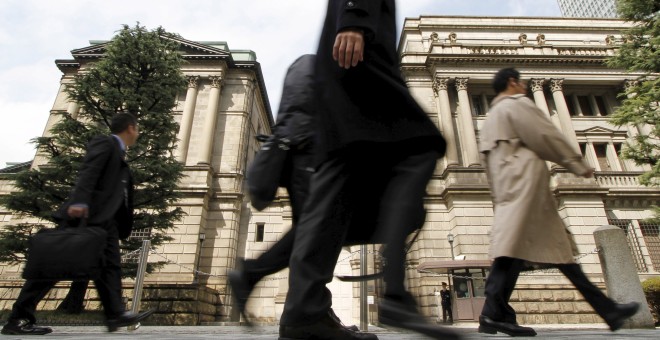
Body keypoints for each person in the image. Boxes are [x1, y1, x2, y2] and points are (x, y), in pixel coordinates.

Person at [277, 1, 461, 339]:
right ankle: (394, 296)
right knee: (422, 144)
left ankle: (304, 313)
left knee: (339, 184)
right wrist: (355, 20)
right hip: (360, 58)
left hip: (352, 59)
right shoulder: (355, 30)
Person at [477, 67, 640, 337]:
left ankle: (494, 315)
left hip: (511, 191)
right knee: (529, 255)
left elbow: (489, 162)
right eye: (522, 83)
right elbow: (546, 135)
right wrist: (576, 163)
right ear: (512, 82)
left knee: (541, 254)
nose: (525, 87)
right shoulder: (517, 106)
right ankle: (492, 314)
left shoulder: (492, 116)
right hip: (527, 188)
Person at [227, 54, 364, 334]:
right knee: (319, 230)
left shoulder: (307, 65)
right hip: (311, 152)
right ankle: (303, 313)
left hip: (301, 153)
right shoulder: (325, 64)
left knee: (309, 232)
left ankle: (306, 312)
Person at [1, 112, 153, 335]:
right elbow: (88, 171)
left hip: (105, 221)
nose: (138, 134)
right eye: (137, 129)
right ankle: (18, 319)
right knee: (51, 269)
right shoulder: (106, 142)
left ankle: (114, 314)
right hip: (86, 216)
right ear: (130, 128)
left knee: (110, 267)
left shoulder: (119, 153)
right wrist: (80, 201)